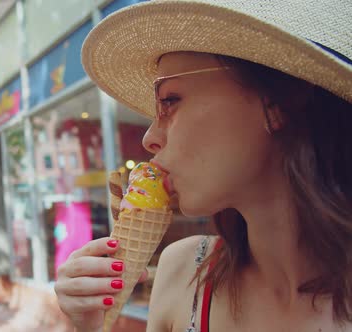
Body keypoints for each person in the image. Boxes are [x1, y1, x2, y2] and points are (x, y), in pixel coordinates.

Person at [54, 0, 352, 331]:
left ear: (278, 102)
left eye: (169, 101)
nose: (149, 138)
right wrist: (91, 327)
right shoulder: (181, 272)